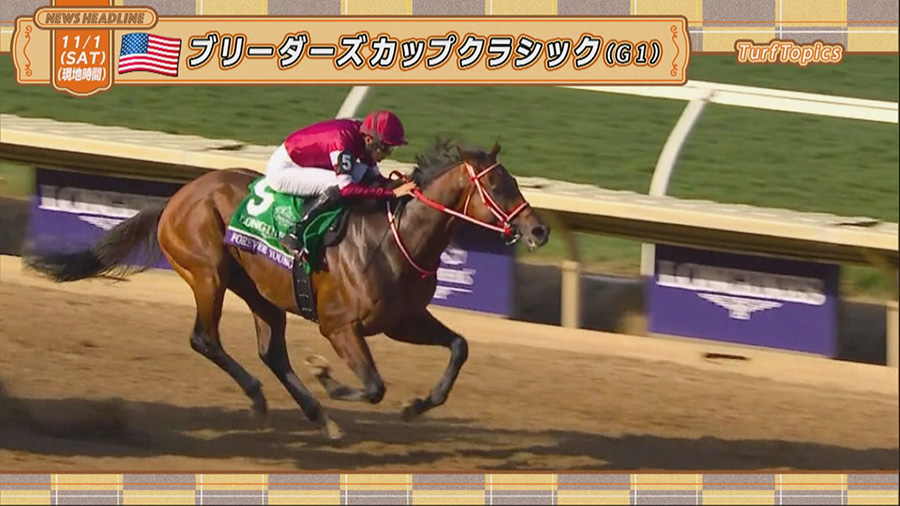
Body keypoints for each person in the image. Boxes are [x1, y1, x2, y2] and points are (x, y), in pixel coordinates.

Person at [264, 110, 418, 255]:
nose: (388, 154)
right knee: (339, 184)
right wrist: (392, 193)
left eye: (392, 149)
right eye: (385, 148)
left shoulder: (364, 137)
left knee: (360, 174)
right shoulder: (343, 141)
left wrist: (399, 184)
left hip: (303, 160)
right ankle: (296, 231)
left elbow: (376, 178)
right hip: (284, 169)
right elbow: (347, 189)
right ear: (369, 140)